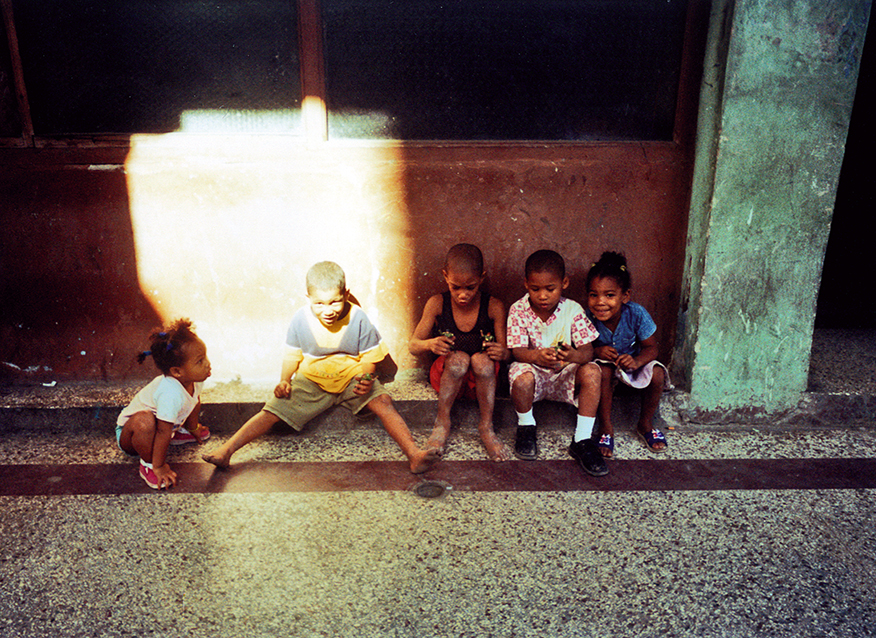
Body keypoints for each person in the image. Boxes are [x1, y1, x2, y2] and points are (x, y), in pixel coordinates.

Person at [202, 261, 440, 474]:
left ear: (345, 294)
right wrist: (285, 380)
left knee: (384, 402)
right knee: (271, 410)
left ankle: (414, 454)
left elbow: (370, 355)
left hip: (351, 377)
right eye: (319, 304)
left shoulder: (358, 318)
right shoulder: (300, 319)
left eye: (335, 301)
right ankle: (227, 451)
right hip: (312, 380)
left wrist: (367, 377)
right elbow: (291, 355)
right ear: (307, 298)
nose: (328, 310)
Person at [507, 249, 607, 476]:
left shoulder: (572, 310)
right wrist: (536, 356)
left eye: (550, 289)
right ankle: (526, 426)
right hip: (534, 373)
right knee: (520, 378)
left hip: (564, 375)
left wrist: (572, 356)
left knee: (592, 371)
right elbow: (517, 352)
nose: (543, 296)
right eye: (535, 289)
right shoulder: (517, 310)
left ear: (564, 283)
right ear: (526, 284)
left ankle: (582, 439)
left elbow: (587, 352)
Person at [409, 243, 511, 461]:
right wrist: (430, 344)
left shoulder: (493, 306)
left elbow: (507, 353)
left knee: (480, 361)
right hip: (448, 376)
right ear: (445, 276)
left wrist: (500, 352)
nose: (463, 294)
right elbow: (413, 345)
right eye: (456, 287)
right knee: (459, 360)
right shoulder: (437, 303)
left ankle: (486, 427)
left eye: (470, 287)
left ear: (481, 278)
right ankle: (442, 423)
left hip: (480, 382)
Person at [585, 251, 670, 457]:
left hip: (633, 365)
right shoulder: (587, 317)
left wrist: (637, 360)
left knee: (657, 373)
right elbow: (582, 350)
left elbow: (652, 348)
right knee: (603, 371)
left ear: (625, 296)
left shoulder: (636, 313)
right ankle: (606, 427)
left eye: (610, 295)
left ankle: (645, 423)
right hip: (605, 369)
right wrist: (597, 350)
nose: (600, 302)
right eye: (593, 294)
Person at [116, 319, 212, 489]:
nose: (207, 363)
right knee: (145, 421)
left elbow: (192, 403)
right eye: (199, 361)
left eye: (205, 357)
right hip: (132, 435)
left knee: (193, 399)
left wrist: (193, 427)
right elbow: (162, 430)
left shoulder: (194, 379)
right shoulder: (170, 392)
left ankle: (182, 432)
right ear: (177, 371)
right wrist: (159, 466)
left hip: (164, 427)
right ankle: (148, 465)